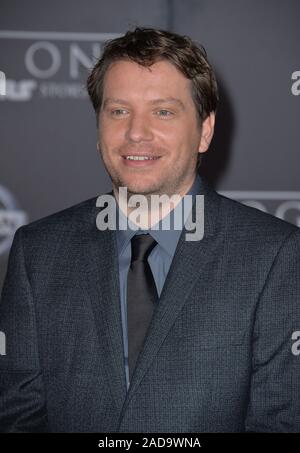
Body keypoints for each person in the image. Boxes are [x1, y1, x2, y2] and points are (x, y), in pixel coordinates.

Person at [0, 27, 299, 433]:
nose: (136, 133)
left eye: (163, 111)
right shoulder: (38, 253)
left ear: (205, 131)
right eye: (118, 111)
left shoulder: (275, 256)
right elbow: (17, 417)